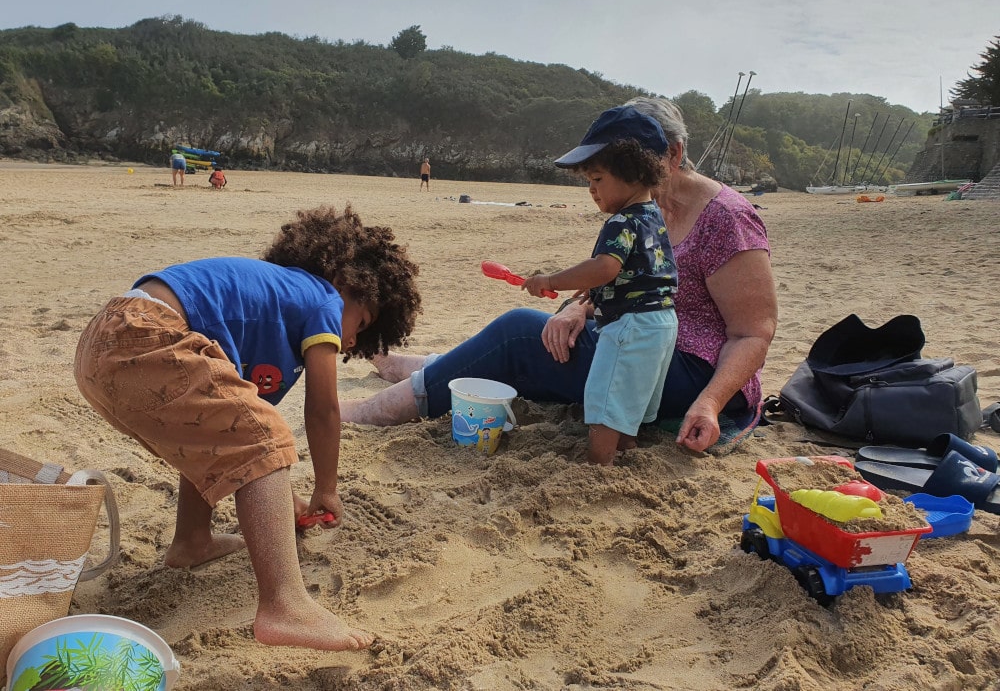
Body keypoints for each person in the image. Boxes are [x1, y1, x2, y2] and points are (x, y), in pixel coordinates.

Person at [344, 96, 777, 455]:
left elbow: (753, 333)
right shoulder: (643, 208)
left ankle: (380, 407)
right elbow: (625, 277)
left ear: (673, 155)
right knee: (537, 341)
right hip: (630, 339)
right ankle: (432, 369)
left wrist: (709, 403)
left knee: (516, 335)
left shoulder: (726, 219)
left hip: (688, 367)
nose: (597, 187)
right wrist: (577, 307)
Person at [73, 205, 421, 651]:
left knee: (216, 431)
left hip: (101, 345)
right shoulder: (323, 299)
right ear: (347, 285)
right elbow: (323, 409)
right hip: (145, 332)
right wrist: (326, 488)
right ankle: (286, 607)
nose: (351, 341)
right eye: (362, 323)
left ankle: (192, 542)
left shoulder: (267, 306)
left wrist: (279, 498)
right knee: (266, 433)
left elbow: (230, 442)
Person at [520, 106, 678, 465]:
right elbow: (646, 270)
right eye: (589, 182)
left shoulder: (621, 221)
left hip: (631, 324)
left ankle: (597, 464)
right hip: (663, 322)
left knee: (606, 397)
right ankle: (626, 450)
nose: (591, 190)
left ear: (634, 171)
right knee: (631, 394)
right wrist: (594, 293)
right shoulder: (654, 216)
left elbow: (605, 267)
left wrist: (552, 280)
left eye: (598, 180)